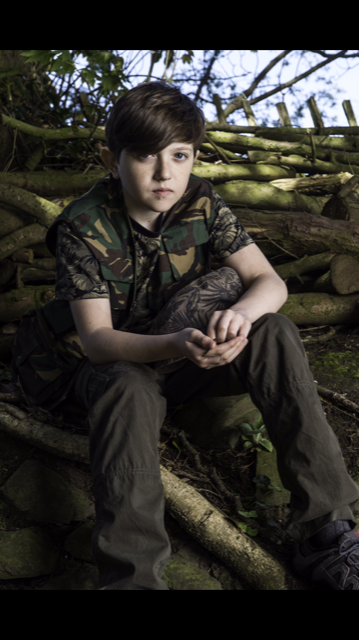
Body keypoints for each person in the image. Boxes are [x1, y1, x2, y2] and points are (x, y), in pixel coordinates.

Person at [12, 82, 359, 590]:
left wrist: (239, 316)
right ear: (112, 158)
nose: (164, 173)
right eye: (145, 155)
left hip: (179, 355)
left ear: (194, 156)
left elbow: (270, 283)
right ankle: (133, 579)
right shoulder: (82, 226)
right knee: (128, 387)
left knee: (275, 329)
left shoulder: (202, 202)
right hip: (103, 373)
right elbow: (99, 342)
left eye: (179, 155)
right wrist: (177, 345)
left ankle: (327, 532)